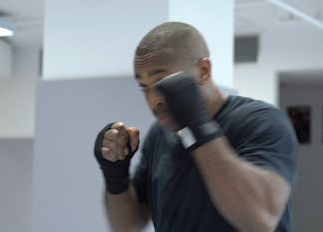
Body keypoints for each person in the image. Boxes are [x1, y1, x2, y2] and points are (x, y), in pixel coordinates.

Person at [94, 22, 298, 232]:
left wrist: (197, 126)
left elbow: (261, 219)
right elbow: (128, 226)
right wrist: (115, 175)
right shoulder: (160, 134)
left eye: (162, 83)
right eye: (144, 88)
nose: (153, 101)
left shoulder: (261, 121)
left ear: (203, 70)